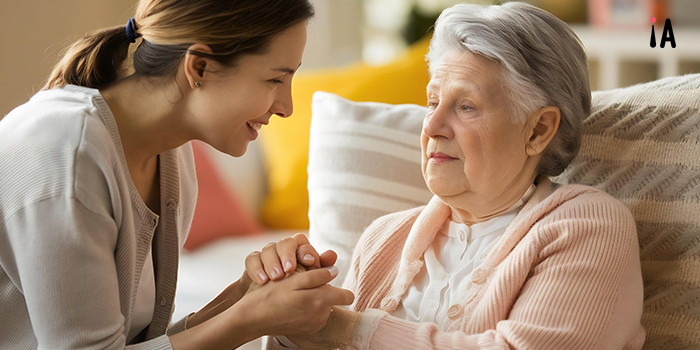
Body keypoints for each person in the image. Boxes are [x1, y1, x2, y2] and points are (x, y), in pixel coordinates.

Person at [248, 2, 646, 349]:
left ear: (538, 130)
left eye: (466, 106)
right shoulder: (383, 238)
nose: (432, 124)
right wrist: (288, 315)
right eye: (433, 101)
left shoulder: (587, 226)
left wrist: (350, 330)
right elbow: (326, 338)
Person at [0, 0, 354, 349]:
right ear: (198, 67)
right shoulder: (67, 155)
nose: (286, 107)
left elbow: (146, 343)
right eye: (275, 79)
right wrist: (251, 318)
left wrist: (245, 294)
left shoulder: (172, 154)